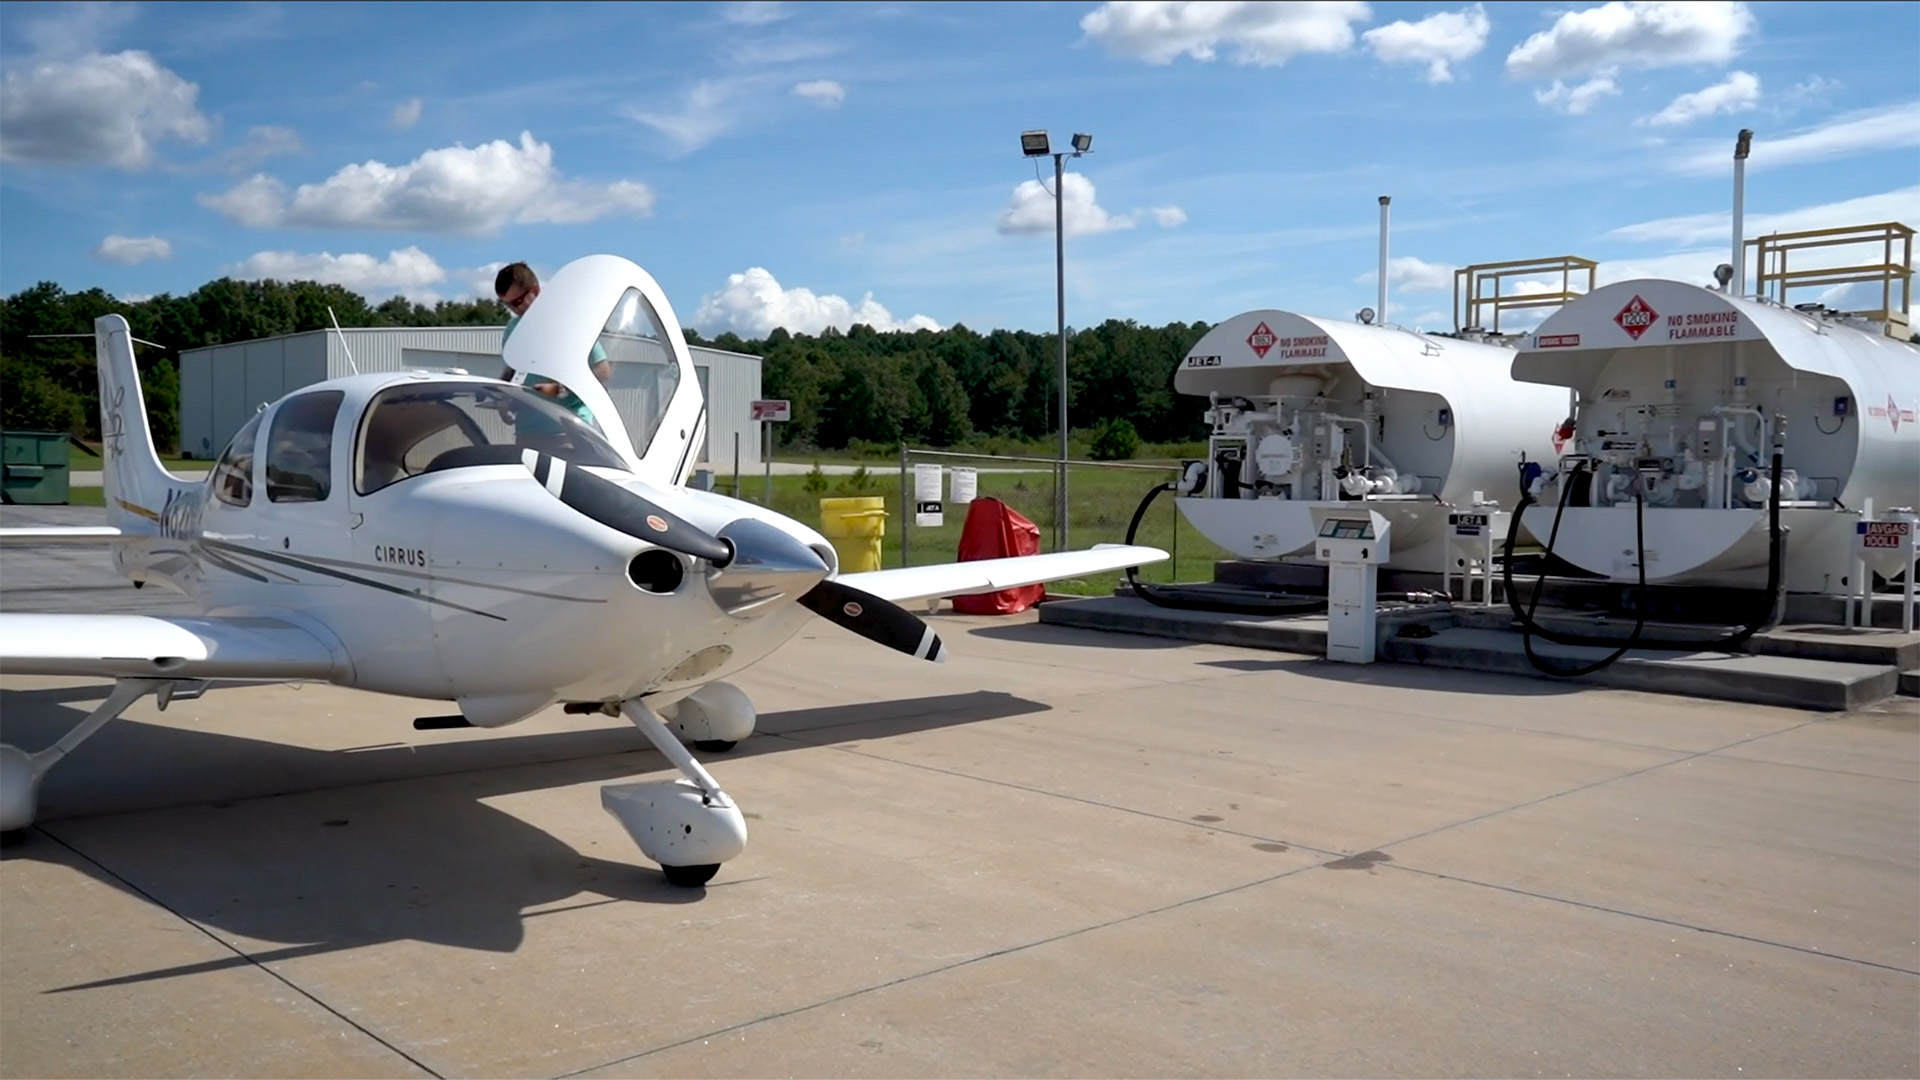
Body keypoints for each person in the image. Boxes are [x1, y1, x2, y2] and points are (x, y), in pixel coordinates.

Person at [494, 262, 612, 425]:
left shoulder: (568, 321)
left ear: (535, 291)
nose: (514, 309)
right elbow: (511, 371)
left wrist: (558, 389)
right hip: (528, 427)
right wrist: (502, 399)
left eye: (518, 301)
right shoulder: (513, 329)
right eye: (507, 304)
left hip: (570, 425)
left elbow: (602, 370)